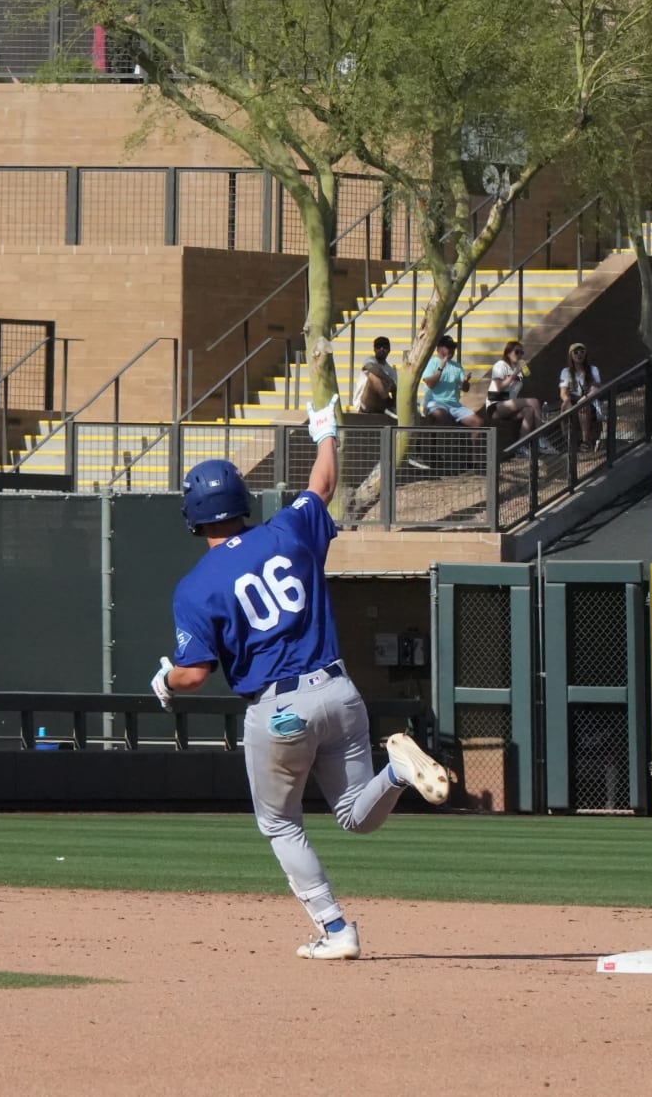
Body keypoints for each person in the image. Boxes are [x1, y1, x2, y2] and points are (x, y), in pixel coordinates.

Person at [156, 399, 451, 960]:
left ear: (193, 516)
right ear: (242, 502)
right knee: (355, 815)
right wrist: (325, 434)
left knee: (279, 824)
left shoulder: (194, 588)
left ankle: (336, 930)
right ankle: (397, 769)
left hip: (279, 709)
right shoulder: (289, 530)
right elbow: (323, 483)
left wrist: (166, 682)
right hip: (340, 691)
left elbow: (193, 675)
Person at [485, 340, 551, 450]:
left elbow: (517, 389)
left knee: (529, 410)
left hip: (510, 404)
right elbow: (499, 388)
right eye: (517, 352)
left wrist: (521, 371)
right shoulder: (500, 365)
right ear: (508, 353)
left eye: (522, 353)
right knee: (533, 401)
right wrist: (514, 374)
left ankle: (521, 446)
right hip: (496, 403)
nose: (519, 355)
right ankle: (541, 437)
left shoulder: (518, 370)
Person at [417, 335, 481, 428]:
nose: (451, 350)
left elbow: (465, 389)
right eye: (448, 347)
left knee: (477, 422)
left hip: (455, 405)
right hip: (435, 403)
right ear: (438, 348)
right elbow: (430, 384)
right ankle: (434, 441)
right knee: (441, 415)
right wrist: (441, 367)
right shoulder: (431, 363)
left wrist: (465, 382)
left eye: (453, 347)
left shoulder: (458, 366)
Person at [558, 341, 605, 451]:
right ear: (571, 355)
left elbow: (595, 389)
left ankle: (585, 441)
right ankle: (569, 440)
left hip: (589, 401)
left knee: (584, 406)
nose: (579, 354)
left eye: (582, 352)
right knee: (564, 405)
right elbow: (563, 392)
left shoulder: (593, 369)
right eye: (576, 352)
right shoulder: (565, 372)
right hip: (573, 400)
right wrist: (567, 401)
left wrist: (583, 400)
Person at [352, 335, 397, 416]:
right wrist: (387, 379)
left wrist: (391, 384)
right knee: (373, 376)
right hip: (365, 403)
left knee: (396, 386)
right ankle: (387, 402)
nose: (381, 349)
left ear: (389, 350)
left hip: (379, 404)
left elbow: (394, 388)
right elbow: (370, 367)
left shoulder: (391, 370)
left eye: (385, 347)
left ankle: (392, 407)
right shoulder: (370, 360)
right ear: (374, 349)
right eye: (378, 347)